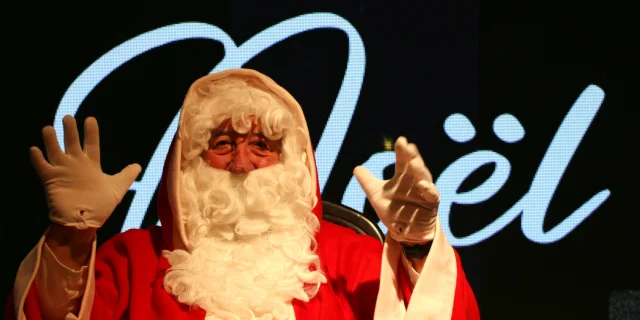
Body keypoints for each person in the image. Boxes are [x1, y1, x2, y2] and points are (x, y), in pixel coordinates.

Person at [5, 69, 479, 320]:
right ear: (188, 162)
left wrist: (415, 244)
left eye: (261, 146)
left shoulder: (352, 257)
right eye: (223, 144)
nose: (240, 163)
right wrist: (71, 235)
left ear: (292, 163)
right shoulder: (131, 260)